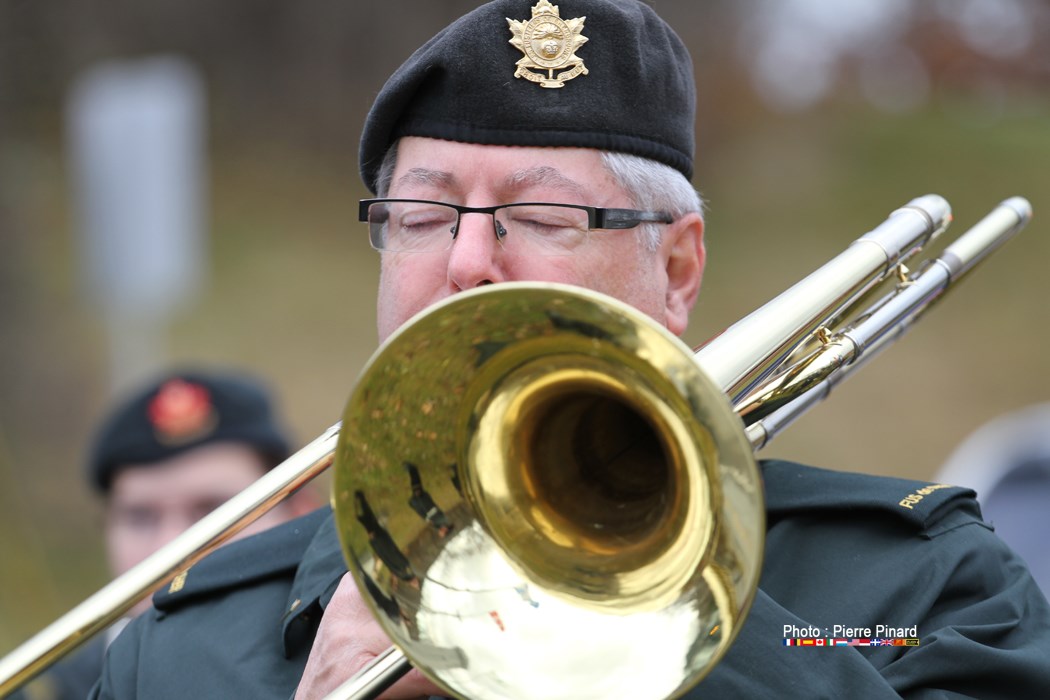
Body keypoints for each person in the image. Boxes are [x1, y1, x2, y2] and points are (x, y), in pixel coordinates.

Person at [88, 2, 1050, 699]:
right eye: (422, 215)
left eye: (538, 215)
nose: (467, 262)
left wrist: (664, 617)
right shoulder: (181, 646)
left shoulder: (917, 585)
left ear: (676, 269)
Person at [16, 369, 318, 700]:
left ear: (300, 511)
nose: (171, 545)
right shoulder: (49, 691)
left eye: (215, 511)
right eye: (140, 517)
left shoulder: (352, 652)